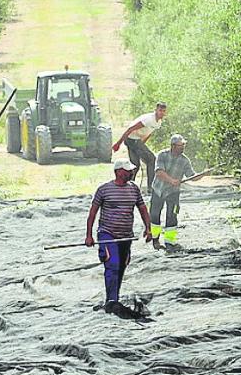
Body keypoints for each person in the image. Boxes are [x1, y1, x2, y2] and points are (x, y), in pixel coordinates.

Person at [84, 158, 153, 317]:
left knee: (122, 266)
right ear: (118, 172)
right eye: (128, 170)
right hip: (107, 234)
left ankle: (114, 297)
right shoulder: (104, 190)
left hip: (126, 236)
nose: (131, 172)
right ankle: (111, 300)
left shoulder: (134, 189)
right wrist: (89, 235)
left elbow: (142, 209)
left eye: (131, 170)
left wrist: (148, 229)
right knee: (112, 264)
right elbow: (93, 213)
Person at [150, 134, 196, 251]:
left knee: (172, 215)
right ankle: (155, 239)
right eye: (180, 146)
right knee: (155, 215)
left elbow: (191, 175)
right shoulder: (162, 155)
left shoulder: (185, 160)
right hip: (158, 189)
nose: (182, 148)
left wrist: (202, 175)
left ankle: (169, 242)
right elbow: (159, 172)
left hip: (173, 192)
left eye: (183, 145)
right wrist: (171, 180)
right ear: (173, 146)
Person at [112, 102, 167, 194]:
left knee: (135, 165)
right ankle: (151, 188)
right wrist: (118, 143)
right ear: (156, 110)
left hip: (136, 141)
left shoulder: (158, 122)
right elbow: (130, 129)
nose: (162, 113)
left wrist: (142, 144)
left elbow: (149, 133)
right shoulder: (149, 119)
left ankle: (127, 186)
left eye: (164, 111)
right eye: (160, 110)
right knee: (152, 159)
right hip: (132, 140)